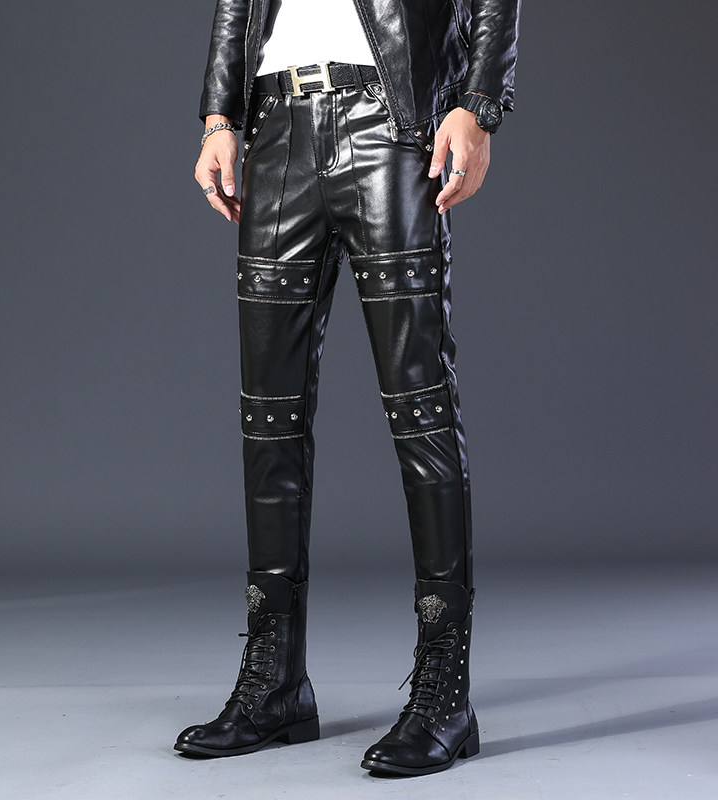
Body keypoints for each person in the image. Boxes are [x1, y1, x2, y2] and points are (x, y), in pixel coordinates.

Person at [174, 0, 520, 778]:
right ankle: (274, 685)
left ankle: (445, 695)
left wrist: (477, 105)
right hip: (276, 127)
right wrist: (219, 117)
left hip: (390, 123)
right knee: (269, 419)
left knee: (420, 407)